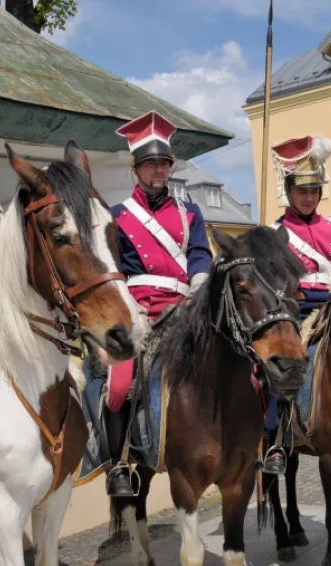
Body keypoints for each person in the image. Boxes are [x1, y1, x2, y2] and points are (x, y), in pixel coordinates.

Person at [104, 111, 213, 496]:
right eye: (150, 164)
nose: (158, 171)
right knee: (119, 386)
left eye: (164, 164)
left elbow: (200, 254)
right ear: (136, 168)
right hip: (138, 310)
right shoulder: (117, 217)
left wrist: (200, 277)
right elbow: (113, 270)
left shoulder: (190, 213)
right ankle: (119, 463)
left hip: (185, 308)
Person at [262, 136, 331, 475]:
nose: (308, 197)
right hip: (297, 313)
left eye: (313, 191)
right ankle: (275, 437)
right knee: (282, 367)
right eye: (301, 191)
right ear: (288, 191)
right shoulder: (276, 232)